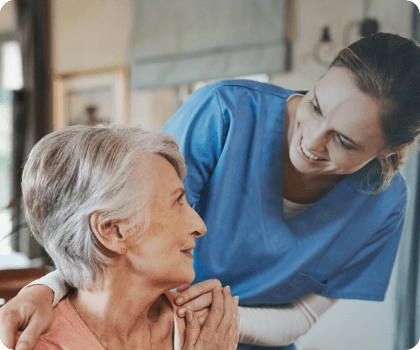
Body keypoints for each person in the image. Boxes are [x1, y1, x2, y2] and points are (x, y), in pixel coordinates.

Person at [1, 32, 420, 350]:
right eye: (314, 106)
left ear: (387, 151)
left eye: (343, 142)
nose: (311, 142)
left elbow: (303, 315)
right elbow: (118, 225)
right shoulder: (224, 114)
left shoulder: (383, 204)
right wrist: (46, 288)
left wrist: (217, 326)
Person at [0, 124, 239, 350]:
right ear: (112, 230)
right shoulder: (35, 343)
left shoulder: (203, 326)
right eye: (177, 201)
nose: (199, 226)